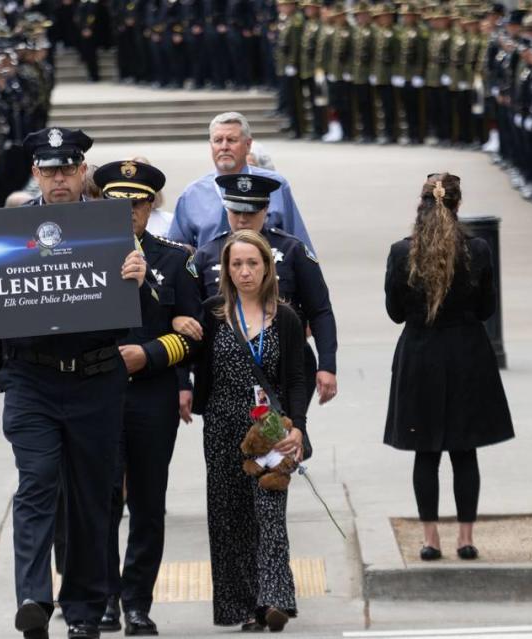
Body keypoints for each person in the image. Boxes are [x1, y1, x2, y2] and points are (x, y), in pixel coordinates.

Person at [0, 127, 155, 639]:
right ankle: (33, 598)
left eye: (69, 169)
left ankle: (84, 612)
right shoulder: (7, 229)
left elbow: (135, 313)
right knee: (38, 482)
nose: (60, 179)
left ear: (83, 171)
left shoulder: (109, 228)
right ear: (36, 174)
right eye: (50, 170)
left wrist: (138, 274)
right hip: (31, 379)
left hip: (94, 379)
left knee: (92, 496)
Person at [92, 160, 202, 635]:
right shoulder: (86, 254)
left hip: (152, 394)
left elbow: (198, 333)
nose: (128, 213)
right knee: (101, 501)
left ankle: (138, 600)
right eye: (117, 204)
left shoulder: (175, 259)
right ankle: (105, 598)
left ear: (151, 206)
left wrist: (154, 352)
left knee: (148, 503)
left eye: (136, 205)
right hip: (98, 392)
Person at [383, 172, 514, 561]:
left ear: (420, 204)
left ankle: (430, 538)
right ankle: (466, 537)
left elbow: (393, 312)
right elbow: (487, 308)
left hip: (420, 353)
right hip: (466, 354)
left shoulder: (401, 251)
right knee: (464, 449)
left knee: (426, 452)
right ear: (458, 204)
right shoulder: (478, 250)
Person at [191, 229, 308, 632]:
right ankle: (241, 606)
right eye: (236, 264)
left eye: (252, 263)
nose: (244, 272)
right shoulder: (212, 312)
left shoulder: (286, 316)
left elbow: (296, 377)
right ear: (225, 269)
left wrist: (299, 431)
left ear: (267, 267)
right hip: (222, 424)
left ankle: (275, 598)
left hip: (270, 426)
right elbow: (191, 360)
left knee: (270, 511)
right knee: (230, 516)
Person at [190, 173, 337, 405]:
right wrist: (183, 382)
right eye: (235, 211)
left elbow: (320, 310)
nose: (242, 220)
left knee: (286, 436)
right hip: (225, 375)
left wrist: (327, 365)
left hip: (286, 368)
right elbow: (189, 316)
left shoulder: (292, 251)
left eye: (250, 212)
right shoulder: (206, 255)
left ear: (266, 209)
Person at [167, 112, 314, 251]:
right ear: (211, 145)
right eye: (218, 140)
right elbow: (177, 251)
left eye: (231, 140)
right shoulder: (193, 193)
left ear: (248, 145)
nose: (224, 147)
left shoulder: (274, 185)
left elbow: (299, 244)